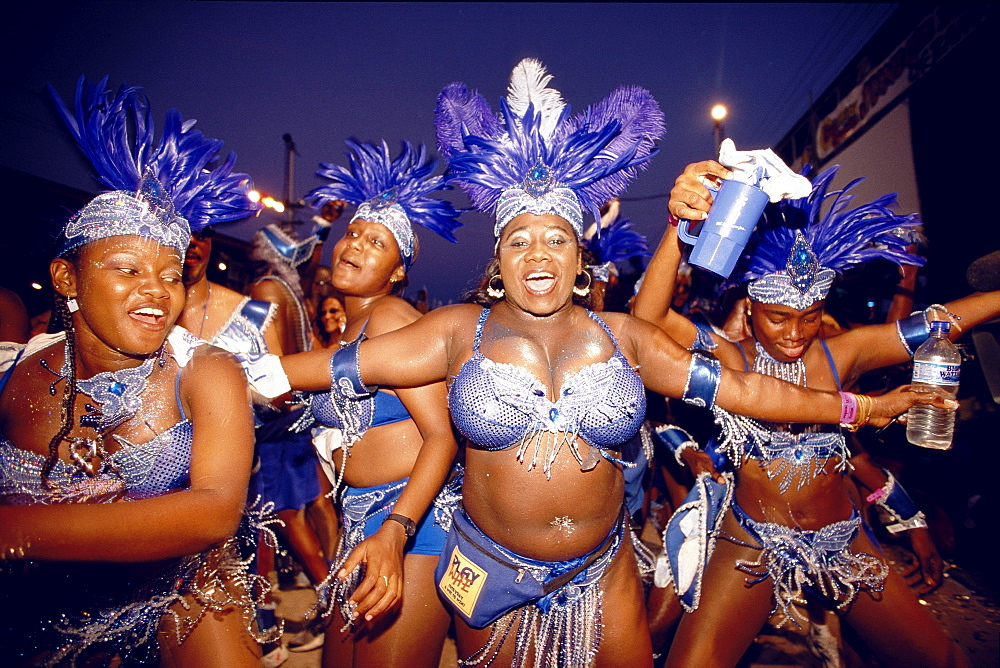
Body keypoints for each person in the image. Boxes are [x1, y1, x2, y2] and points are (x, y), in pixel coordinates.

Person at [240, 60, 946, 668]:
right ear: (497, 259)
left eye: (556, 239)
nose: (538, 255)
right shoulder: (458, 332)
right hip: (492, 579)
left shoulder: (624, 340)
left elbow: (745, 391)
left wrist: (860, 408)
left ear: (581, 259)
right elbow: (336, 365)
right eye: (519, 241)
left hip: (605, 573)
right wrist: (244, 369)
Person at [633, 160, 1000, 667]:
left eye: (808, 317)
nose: (794, 333)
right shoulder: (730, 359)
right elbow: (646, 322)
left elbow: (934, 324)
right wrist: (678, 229)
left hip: (843, 542)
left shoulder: (843, 354)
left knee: (942, 660)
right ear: (749, 308)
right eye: (778, 318)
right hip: (751, 542)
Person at [0, 77, 264, 666]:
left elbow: (215, 510)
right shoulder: (12, 374)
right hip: (33, 608)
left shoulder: (206, 370)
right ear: (67, 280)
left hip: (174, 590)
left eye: (171, 275)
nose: (156, 292)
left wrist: (16, 529)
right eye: (127, 269)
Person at [298, 139, 463, 667]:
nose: (355, 245)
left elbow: (444, 435)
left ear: (398, 272)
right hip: (360, 522)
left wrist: (397, 530)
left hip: (414, 524)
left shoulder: (390, 317)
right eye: (353, 233)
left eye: (376, 242)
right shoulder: (344, 334)